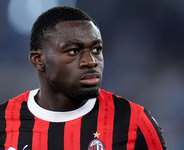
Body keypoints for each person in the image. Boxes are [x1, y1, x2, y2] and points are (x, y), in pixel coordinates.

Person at [0, 6, 166, 150]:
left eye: (96, 50)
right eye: (73, 51)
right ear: (39, 60)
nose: (91, 61)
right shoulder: (4, 121)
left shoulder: (135, 121)